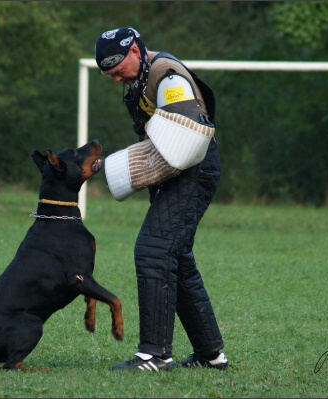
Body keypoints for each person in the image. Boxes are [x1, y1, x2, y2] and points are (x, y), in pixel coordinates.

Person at [94, 27, 228, 371]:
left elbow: (187, 139)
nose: (115, 79)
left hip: (193, 168)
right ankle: (211, 356)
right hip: (179, 170)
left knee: (153, 250)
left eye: (118, 70)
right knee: (176, 257)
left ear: (136, 51)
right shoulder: (140, 76)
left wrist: (140, 168)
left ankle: (155, 355)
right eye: (109, 75)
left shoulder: (167, 76)